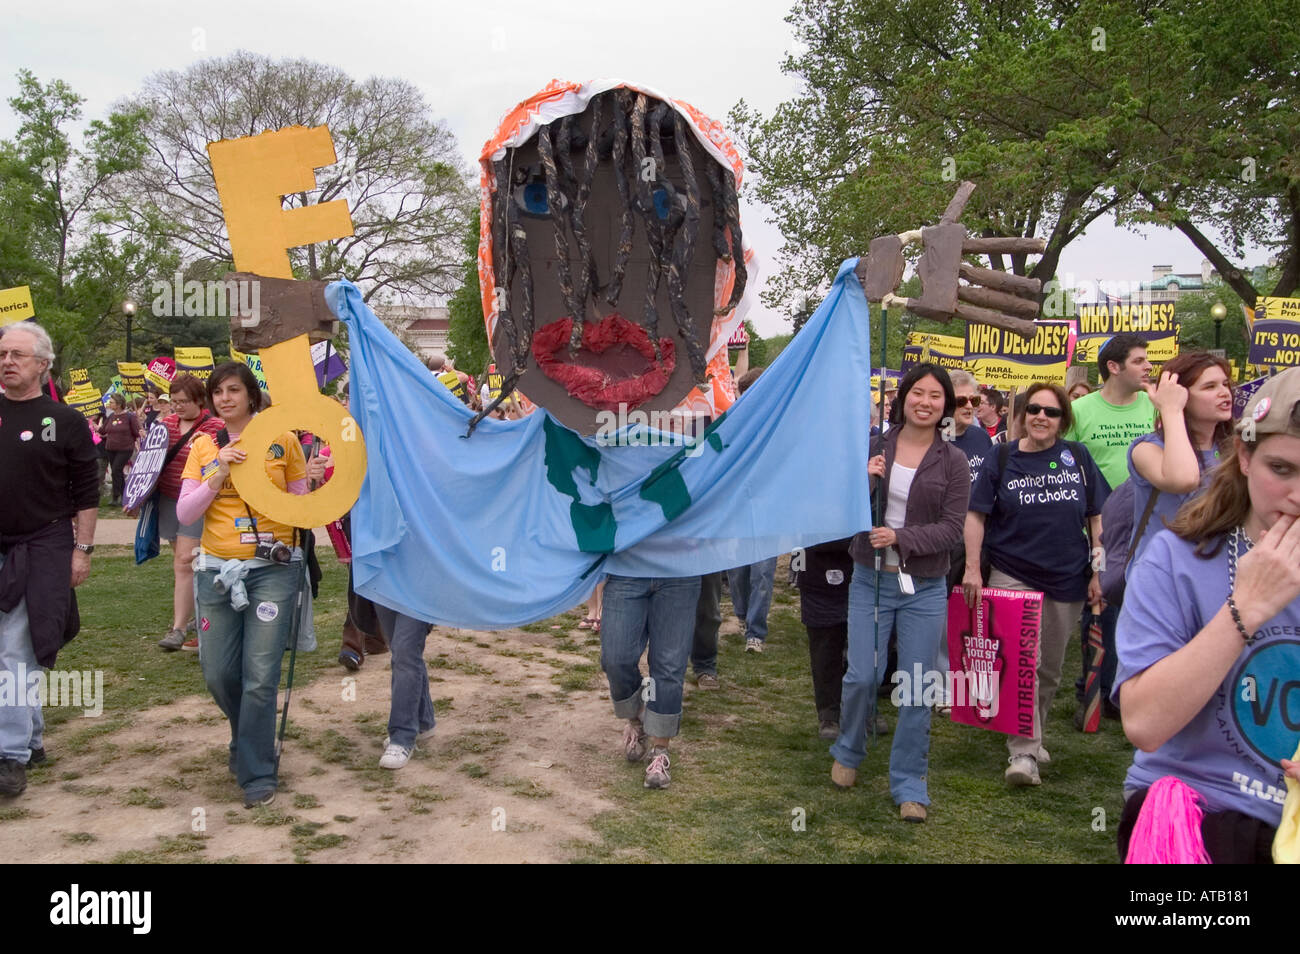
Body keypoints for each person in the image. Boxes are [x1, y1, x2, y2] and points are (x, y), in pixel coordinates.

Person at [1115, 368, 1300, 863]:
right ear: (1244, 456)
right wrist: (1245, 609)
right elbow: (1145, 722)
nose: (1298, 495)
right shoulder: (1175, 559)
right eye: (1281, 469)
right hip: (1201, 814)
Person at [176, 362, 326, 808]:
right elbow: (186, 514)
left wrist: (313, 484)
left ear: (251, 394)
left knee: (260, 675)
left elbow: (302, 508)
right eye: (217, 391)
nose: (225, 398)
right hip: (217, 571)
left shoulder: (283, 441)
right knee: (219, 672)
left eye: (233, 390)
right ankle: (247, 736)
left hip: (274, 571)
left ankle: (257, 770)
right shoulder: (204, 445)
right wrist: (218, 471)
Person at [830, 363, 969, 823]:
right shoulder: (873, 446)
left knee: (915, 686)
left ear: (945, 405)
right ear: (903, 397)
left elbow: (951, 531)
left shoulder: (953, 462)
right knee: (862, 676)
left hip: (924, 587)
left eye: (935, 396)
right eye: (917, 393)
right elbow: (840, 509)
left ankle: (910, 782)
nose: (925, 402)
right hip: (870, 580)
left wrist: (901, 538)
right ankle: (849, 748)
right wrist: (863, 480)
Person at [963, 383, 1107, 787]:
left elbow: (1096, 517)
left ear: (1064, 420)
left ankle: (1033, 729)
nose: (1042, 416)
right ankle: (1023, 752)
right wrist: (973, 568)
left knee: (1049, 669)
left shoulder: (1077, 457)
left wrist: (1099, 569)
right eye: (1034, 409)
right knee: (1021, 662)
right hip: (1012, 572)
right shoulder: (1002, 456)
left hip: (1067, 576)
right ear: (1023, 414)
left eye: (1052, 411)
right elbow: (976, 515)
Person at [0, 323, 99, 797]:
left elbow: (86, 494)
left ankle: (9, 754)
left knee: (16, 650)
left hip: (45, 544)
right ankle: (32, 738)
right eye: (2, 354)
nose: (7, 362)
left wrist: (82, 550)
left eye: (18, 354)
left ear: (43, 364)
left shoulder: (66, 421)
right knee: (9, 653)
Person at [1064, 333, 1154, 723]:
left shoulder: (1154, 406)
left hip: (1152, 526)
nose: (1148, 367)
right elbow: (1064, 464)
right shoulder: (1081, 410)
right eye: (1139, 361)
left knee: (1144, 608)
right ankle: (1097, 684)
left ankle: (1132, 688)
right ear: (1114, 368)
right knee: (1101, 606)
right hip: (1098, 529)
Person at [1126, 352, 1233, 568]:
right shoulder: (1147, 449)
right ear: (1180, 396)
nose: (1224, 393)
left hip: (1217, 574)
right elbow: (1184, 479)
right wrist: (1170, 409)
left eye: (1225, 384)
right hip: (1161, 578)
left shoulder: (1234, 449)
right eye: (1210, 387)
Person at [600, 573, 702, 789]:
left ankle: (660, 750)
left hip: (680, 573)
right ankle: (638, 717)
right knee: (615, 659)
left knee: (669, 666)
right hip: (626, 569)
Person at [154, 374, 224, 651]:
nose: (178, 407)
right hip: (169, 500)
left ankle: (179, 628)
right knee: (184, 562)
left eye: (184, 401)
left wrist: (207, 443)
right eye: (174, 402)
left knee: (184, 562)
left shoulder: (215, 426)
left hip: (197, 501)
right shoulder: (166, 425)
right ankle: (197, 613)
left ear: (199, 401)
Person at [727, 367, 778, 653]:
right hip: (738, 508)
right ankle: (743, 615)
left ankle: (755, 632)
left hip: (769, 508)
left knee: (762, 572)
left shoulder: (779, 422)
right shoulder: (734, 422)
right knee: (737, 571)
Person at [795, 538, 853, 739]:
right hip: (816, 575)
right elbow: (799, 534)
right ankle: (829, 713)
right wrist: (796, 570)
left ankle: (866, 708)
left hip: (861, 569)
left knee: (866, 647)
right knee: (824, 648)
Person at [99, 393, 140, 506]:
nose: (109, 404)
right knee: (117, 472)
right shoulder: (111, 416)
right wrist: (93, 424)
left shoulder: (129, 417)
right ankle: (122, 494)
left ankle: (115, 496)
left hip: (125, 448)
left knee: (116, 470)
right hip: (110, 448)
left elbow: (136, 432)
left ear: (118, 404)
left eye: (111, 402)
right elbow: (103, 430)